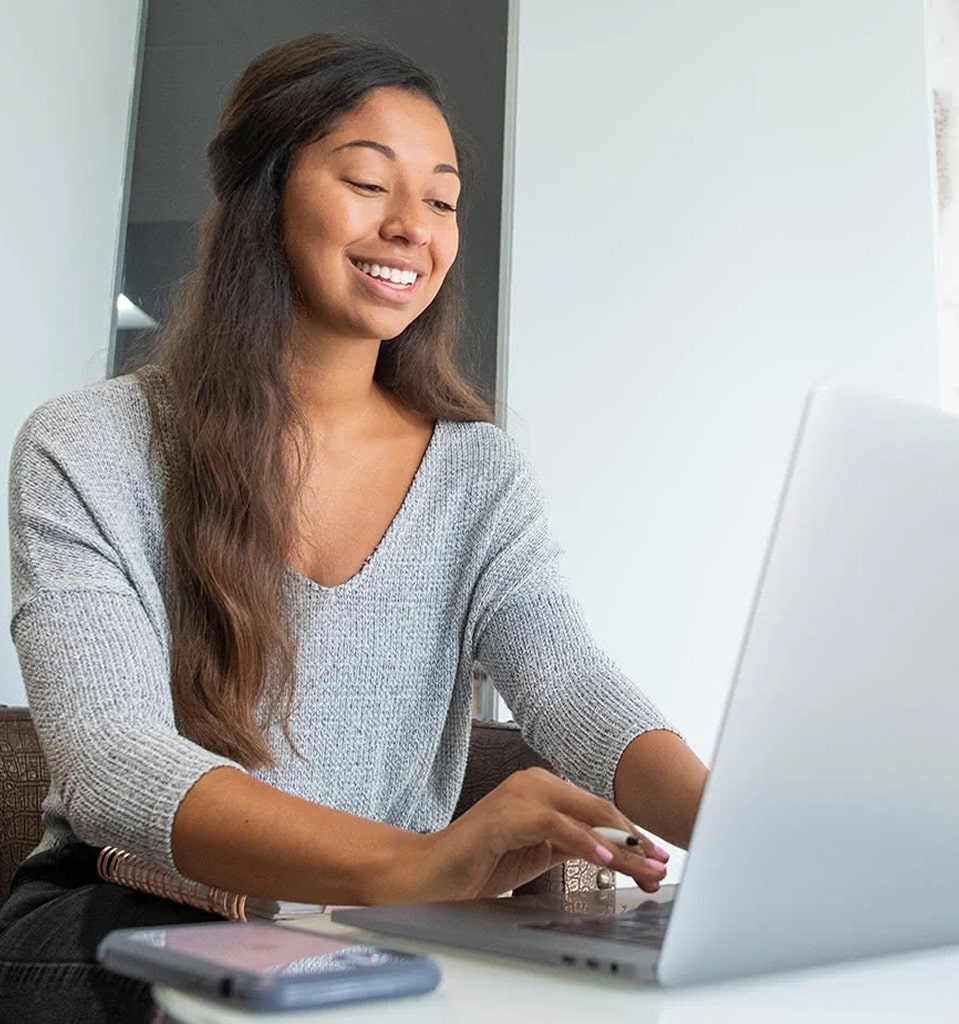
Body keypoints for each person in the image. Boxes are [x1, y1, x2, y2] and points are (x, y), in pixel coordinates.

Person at [0, 34, 707, 1023]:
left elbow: (570, 682)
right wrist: (414, 864)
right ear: (263, 194)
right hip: (123, 919)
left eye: (443, 200)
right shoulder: (89, 445)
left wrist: (729, 821)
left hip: (366, 928)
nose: (411, 227)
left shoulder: (477, 470)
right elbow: (113, 764)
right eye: (369, 183)